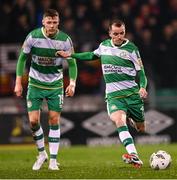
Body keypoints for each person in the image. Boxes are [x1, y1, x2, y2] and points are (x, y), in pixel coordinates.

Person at [57, 19, 148, 168]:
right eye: (116, 34)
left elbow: (142, 74)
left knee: (141, 128)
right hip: (114, 96)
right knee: (119, 121)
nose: (119, 36)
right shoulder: (104, 46)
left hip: (132, 95)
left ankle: (132, 119)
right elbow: (91, 55)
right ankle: (134, 155)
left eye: (122, 33)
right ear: (110, 33)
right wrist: (70, 55)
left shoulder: (132, 49)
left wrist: (142, 87)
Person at [14, 9, 77, 170]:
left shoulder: (65, 40)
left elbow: (72, 63)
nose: (52, 26)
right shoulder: (33, 36)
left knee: (54, 120)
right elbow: (22, 58)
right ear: (43, 22)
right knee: (33, 121)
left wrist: (72, 83)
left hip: (55, 85)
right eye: (49, 22)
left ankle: (54, 160)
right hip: (35, 84)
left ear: (58, 22)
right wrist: (18, 82)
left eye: (55, 22)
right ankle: (42, 154)